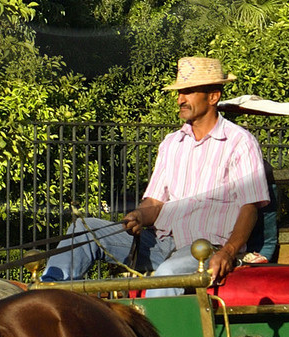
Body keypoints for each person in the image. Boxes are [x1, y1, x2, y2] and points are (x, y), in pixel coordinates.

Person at [40, 58, 270, 289]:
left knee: (168, 273)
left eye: (188, 92)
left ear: (213, 97)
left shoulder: (239, 142)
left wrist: (229, 252)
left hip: (205, 249)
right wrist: (139, 215)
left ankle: (155, 324)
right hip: (160, 243)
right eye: (180, 92)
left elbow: (249, 208)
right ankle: (48, 294)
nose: (180, 99)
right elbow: (155, 202)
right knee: (84, 230)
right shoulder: (171, 143)